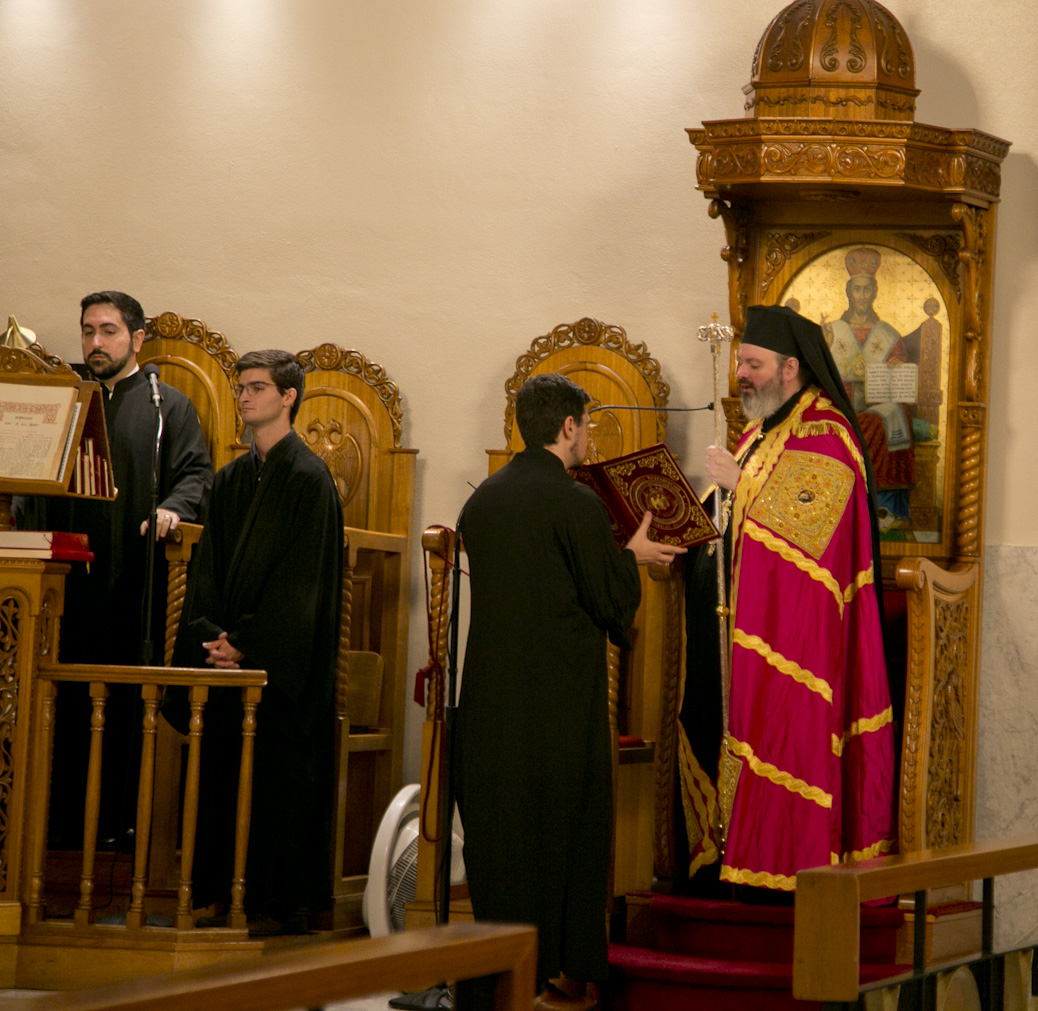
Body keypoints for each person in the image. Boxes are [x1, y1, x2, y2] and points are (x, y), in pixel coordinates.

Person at [455, 373, 685, 1010]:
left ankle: (495, 977)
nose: (586, 436)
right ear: (567, 428)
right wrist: (632, 555)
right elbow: (612, 605)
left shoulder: (483, 502)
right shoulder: (578, 505)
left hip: (492, 705)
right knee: (565, 839)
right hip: (557, 707)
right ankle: (563, 972)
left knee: (502, 844)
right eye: (584, 426)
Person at [679, 304, 896, 896]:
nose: (742, 374)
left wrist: (739, 484)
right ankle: (735, 856)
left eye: (753, 364)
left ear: (791, 367)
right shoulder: (762, 430)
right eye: (740, 363)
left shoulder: (828, 432)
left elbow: (811, 525)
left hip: (799, 638)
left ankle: (783, 864)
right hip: (753, 625)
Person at [15, 290, 213, 847]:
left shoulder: (164, 408)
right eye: (87, 332)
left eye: (107, 331)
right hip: (65, 590)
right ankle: (57, 826)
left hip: (135, 582)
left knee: (124, 702)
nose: (94, 343)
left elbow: (196, 474)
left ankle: (120, 824)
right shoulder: (67, 404)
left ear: (137, 338)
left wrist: (174, 508)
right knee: (63, 703)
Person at [169, 349, 343, 936]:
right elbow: (208, 571)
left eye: (258, 388)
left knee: (278, 783)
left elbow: (304, 582)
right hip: (226, 661)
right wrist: (210, 636)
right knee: (218, 772)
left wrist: (248, 643)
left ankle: (277, 902)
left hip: (280, 671)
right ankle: (217, 891)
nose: (244, 397)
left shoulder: (310, 479)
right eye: (241, 388)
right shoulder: (231, 479)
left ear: (288, 396)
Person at [822, 248, 916, 525]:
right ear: (848, 293)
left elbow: (901, 386)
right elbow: (816, 377)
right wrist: (823, 347)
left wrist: (897, 368)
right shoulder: (832, 331)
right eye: (857, 290)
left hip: (876, 403)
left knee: (893, 417)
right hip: (840, 402)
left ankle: (885, 508)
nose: (862, 296)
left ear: (874, 294)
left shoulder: (888, 334)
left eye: (867, 290)